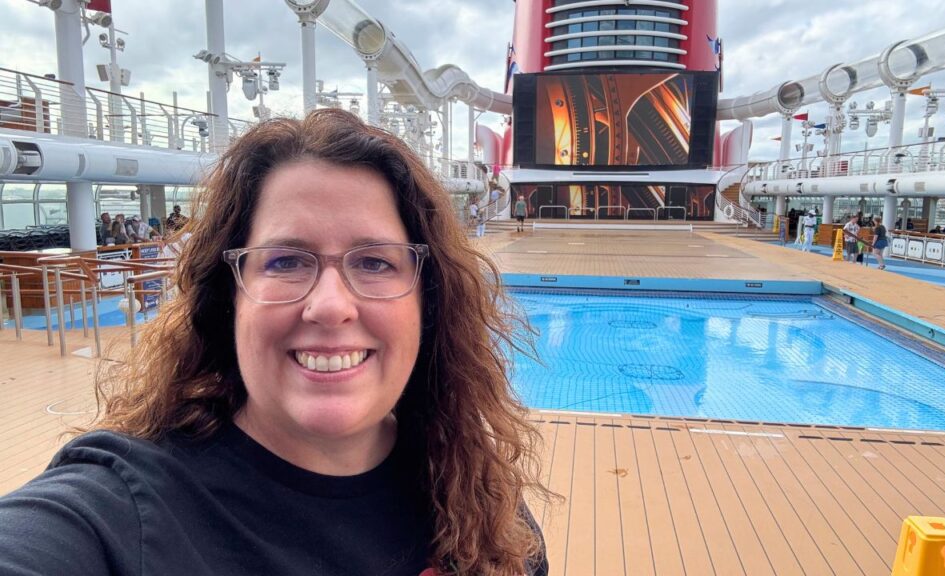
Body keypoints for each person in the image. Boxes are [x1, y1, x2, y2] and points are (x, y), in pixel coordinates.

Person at [0, 109, 551, 575]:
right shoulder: (127, 514)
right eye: (286, 261)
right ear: (229, 298)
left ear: (427, 301)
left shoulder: (482, 508)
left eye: (375, 261)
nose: (331, 306)